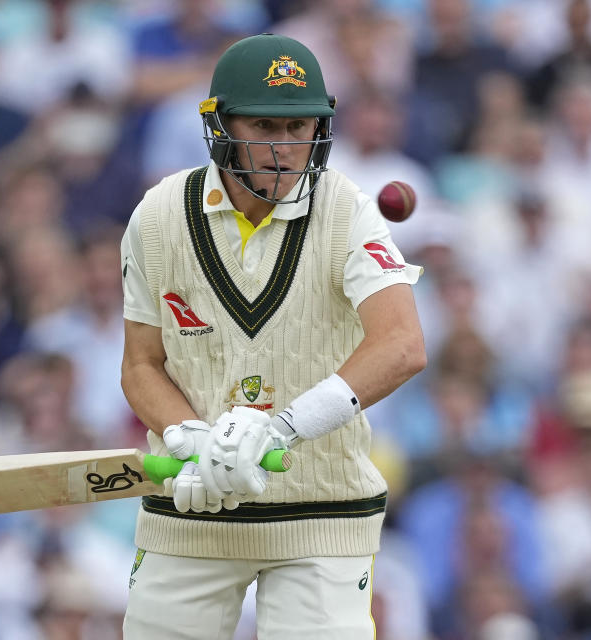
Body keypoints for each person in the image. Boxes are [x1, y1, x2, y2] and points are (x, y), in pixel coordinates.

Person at [119, 33, 427, 639]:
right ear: (220, 126)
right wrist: (191, 440)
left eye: (300, 128)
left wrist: (281, 428)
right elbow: (140, 365)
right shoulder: (157, 215)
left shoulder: (348, 211)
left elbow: (402, 346)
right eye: (265, 126)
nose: (285, 149)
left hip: (323, 511)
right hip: (192, 506)